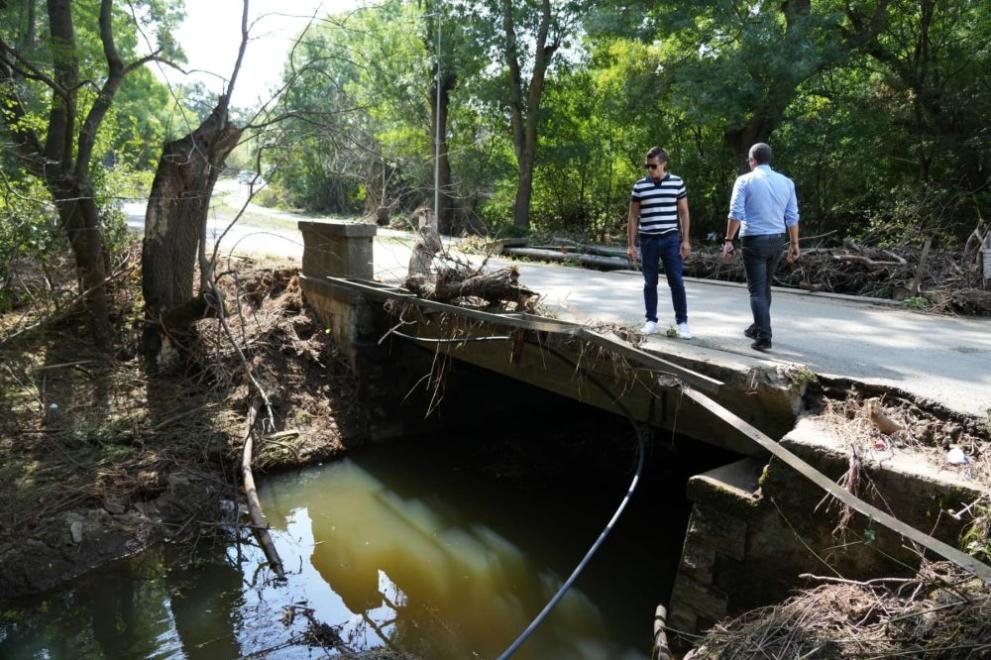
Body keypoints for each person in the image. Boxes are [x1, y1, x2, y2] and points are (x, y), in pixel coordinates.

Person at [721, 142, 800, 351]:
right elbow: (792, 216)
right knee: (764, 287)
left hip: (754, 240)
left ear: (752, 160)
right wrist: (794, 244)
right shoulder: (786, 182)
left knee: (756, 291)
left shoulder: (744, 181)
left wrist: (729, 240)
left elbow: (736, 213)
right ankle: (757, 326)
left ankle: (764, 336)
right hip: (777, 241)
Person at [626, 146, 693, 339]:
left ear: (663, 164)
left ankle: (682, 323)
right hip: (648, 239)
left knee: (676, 281)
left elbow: (684, 212)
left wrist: (686, 240)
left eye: (653, 166)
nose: (650, 170)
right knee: (650, 282)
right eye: (647, 166)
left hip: (670, 238)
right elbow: (632, 216)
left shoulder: (677, 183)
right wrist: (631, 245)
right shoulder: (640, 186)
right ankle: (651, 321)